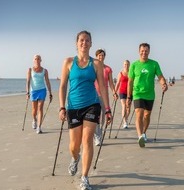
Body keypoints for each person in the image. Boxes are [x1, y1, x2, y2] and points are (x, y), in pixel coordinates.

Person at [58, 30, 112, 190]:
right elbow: (62, 86)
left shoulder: (96, 64)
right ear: (77, 43)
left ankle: (85, 177)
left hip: (92, 105)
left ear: (91, 43)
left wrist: (107, 109)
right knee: (74, 146)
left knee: (87, 140)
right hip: (73, 107)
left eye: (87, 40)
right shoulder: (68, 62)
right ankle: (75, 159)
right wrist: (61, 107)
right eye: (81, 40)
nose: (84, 42)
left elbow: (102, 87)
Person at [126, 43, 168, 147]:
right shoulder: (134, 65)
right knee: (139, 113)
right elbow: (130, 82)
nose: (144, 52)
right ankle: (140, 136)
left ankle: (144, 132)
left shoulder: (154, 64)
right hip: (137, 93)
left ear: (149, 52)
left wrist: (163, 84)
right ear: (139, 51)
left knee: (147, 115)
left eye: (146, 51)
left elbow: (160, 76)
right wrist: (128, 97)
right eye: (142, 51)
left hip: (149, 94)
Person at [93, 48, 118, 146]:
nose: (101, 57)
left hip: (104, 95)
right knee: (96, 116)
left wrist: (114, 92)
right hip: (93, 95)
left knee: (104, 116)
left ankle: (100, 132)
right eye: (99, 55)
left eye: (102, 55)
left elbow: (111, 83)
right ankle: (97, 136)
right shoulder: (93, 67)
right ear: (96, 56)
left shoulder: (108, 69)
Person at [26, 54, 53, 134]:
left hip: (42, 90)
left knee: (40, 108)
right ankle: (34, 119)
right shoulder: (30, 70)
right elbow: (28, 81)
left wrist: (50, 93)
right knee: (34, 110)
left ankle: (39, 127)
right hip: (33, 91)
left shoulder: (45, 71)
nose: (37, 60)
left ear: (41, 60)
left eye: (38, 59)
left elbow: (47, 81)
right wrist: (27, 92)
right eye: (35, 59)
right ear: (33, 60)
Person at [115, 60, 131, 129]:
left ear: (129, 65)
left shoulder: (131, 73)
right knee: (124, 105)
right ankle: (124, 122)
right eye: (125, 64)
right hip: (122, 91)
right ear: (123, 65)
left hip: (130, 92)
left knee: (128, 109)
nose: (126, 65)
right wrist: (115, 92)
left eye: (127, 64)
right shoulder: (120, 73)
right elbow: (118, 83)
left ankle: (126, 119)